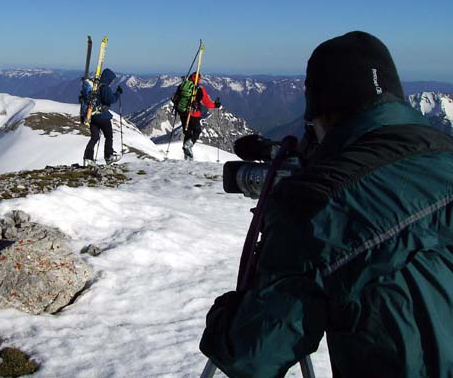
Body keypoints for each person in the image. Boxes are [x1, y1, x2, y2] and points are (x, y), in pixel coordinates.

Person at [200, 31, 453, 377]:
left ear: (322, 113)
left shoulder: (317, 205)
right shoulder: (445, 154)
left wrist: (225, 316)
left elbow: (252, 354)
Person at [174, 72, 221, 160]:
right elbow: (207, 103)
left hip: (183, 113)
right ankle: (189, 145)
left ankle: (187, 156)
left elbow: (176, 97)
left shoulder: (183, 86)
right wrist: (215, 105)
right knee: (197, 131)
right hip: (194, 114)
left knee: (187, 133)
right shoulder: (199, 88)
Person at [83, 68, 123, 166]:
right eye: (111, 79)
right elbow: (111, 99)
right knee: (109, 136)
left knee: (94, 137)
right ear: (108, 78)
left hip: (92, 116)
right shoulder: (105, 87)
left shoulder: (95, 86)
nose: (112, 81)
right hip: (103, 117)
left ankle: (88, 158)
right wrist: (118, 93)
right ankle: (108, 156)